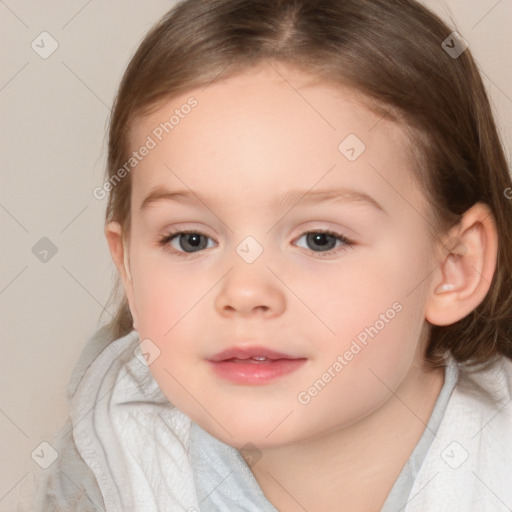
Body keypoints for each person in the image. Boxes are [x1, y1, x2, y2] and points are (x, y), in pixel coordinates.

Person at [35, 0, 512, 510]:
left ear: (452, 267)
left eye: (320, 239)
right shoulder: (111, 464)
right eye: (190, 239)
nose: (244, 292)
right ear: (127, 264)